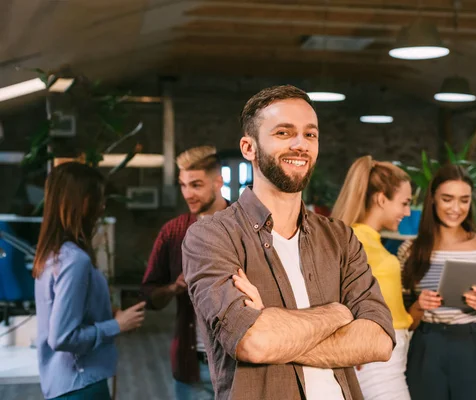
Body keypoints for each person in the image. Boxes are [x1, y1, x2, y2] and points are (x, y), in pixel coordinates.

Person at [182, 85, 395, 400]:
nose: (301, 145)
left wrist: (273, 326)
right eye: (284, 133)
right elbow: (253, 342)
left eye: (310, 135)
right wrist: (339, 313)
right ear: (248, 147)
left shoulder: (340, 238)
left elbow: (378, 340)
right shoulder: (211, 237)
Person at [34, 162, 146, 400]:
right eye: (98, 198)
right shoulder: (75, 260)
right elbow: (62, 337)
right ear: (83, 203)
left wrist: (107, 312)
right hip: (80, 386)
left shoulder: (52, 254)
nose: (102, 206)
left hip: (62, 384)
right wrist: (118, 325)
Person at [399, 164, 476, 400]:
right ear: (432, 200)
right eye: (447, 199)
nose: (456, 208)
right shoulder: (410, 250)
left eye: (464, 200)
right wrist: (419, 306)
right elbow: (403, 322)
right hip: (427, 346)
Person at [141, 146, 228, 400]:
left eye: (196, 185)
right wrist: (173, 288)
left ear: (218, 182)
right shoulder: (173, 232)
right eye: (183, 185)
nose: (188, 193)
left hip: (238, 366)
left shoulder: (244, 227)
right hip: (192, 367)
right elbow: (148, 295)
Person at [330, 155, 413, 400]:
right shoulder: (356, 241)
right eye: (404, 203)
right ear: (381, 199)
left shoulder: (368, 240)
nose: (407, 212)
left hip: (388, 355)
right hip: (375, 359)